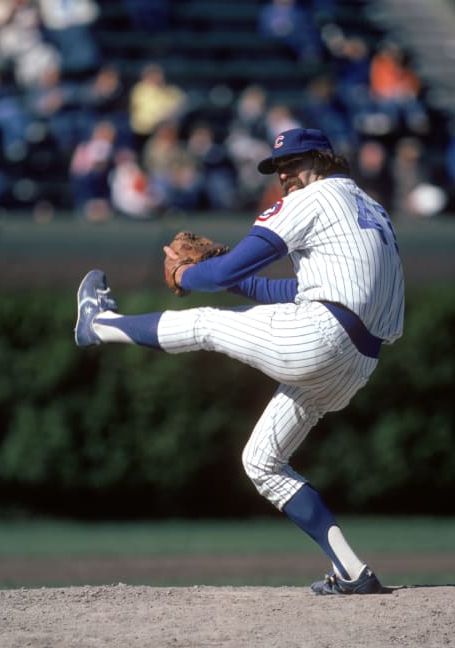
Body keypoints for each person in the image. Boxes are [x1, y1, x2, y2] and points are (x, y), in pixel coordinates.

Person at [74, 127, 405, 595]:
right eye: (279, 168)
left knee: (206, 324)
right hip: (355, 364)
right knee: (262, 462)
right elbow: (288, 291)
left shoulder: (313, 199)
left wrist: (193, 273)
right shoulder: (372, 211)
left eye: (294, 163)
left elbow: (228, 271)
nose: (286, 175)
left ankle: (99, 324)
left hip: (320, 338)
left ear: (323, 160)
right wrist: (220, 275)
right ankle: (353, 572)